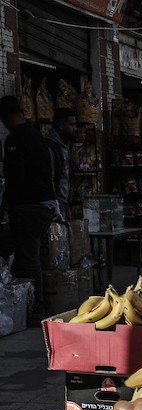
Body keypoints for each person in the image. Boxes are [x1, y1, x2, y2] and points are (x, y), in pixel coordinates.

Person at [0, 95, 56, 315]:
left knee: (29, 260)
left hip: (29, 207)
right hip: (45, 205)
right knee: (29, 258)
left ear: (5, 117)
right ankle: (29, 305)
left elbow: (15, 180)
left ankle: (35, 308)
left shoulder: (15, 139)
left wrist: (4, 207)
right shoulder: (37, 135)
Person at [45, 107, 76, 220]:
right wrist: (55, 206)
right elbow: (50, 178)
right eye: (71, 125)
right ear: (61, 125)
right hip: (56, 204)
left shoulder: (66, 146)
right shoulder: (50, 148)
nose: (75, 128)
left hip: (65, 202)